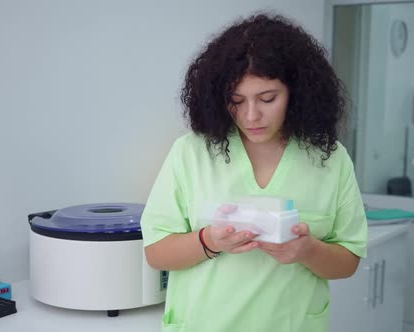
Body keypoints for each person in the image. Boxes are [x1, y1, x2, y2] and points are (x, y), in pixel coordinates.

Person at [141, 13, 367, 332]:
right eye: (236, 101)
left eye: (268, 98)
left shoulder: (330, 159)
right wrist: (209, 240)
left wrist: (307, 250)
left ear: (297, 93)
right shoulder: (191, 152)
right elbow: (156, 253)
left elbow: (349, 260)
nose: (251, 115)